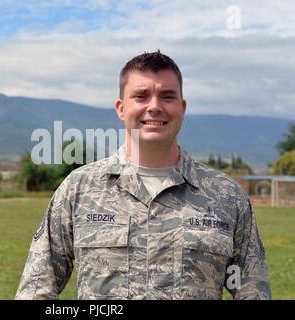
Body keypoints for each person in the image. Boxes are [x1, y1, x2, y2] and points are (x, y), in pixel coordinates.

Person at [15, 51, 271, 300]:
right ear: (121, 108)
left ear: (182, 108)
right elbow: (36, 288)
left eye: (167, 96)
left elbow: (252, 291)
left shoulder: (226, 196)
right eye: (141, 96)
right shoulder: (78, 189)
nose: (155, 106)